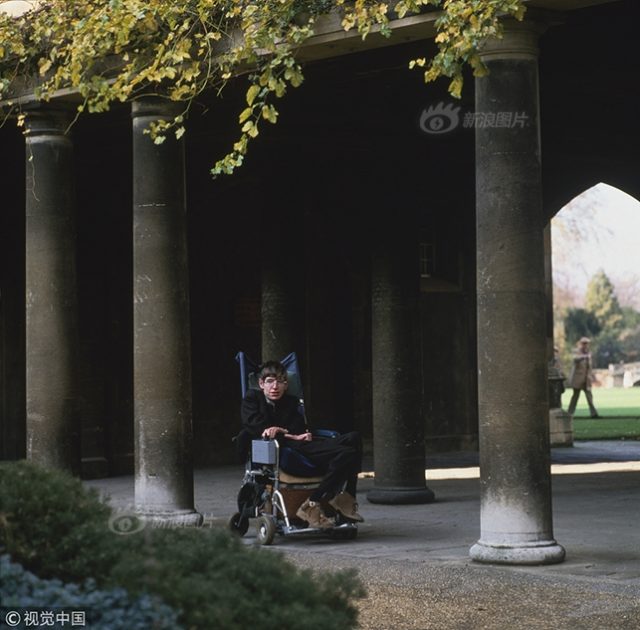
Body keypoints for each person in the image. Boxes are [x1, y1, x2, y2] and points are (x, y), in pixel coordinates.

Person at [241, 360, 364, 529]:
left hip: (302, 445)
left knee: (354, 438)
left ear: (286, 385)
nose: (275, 387)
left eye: (280, 382)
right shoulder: (252, 398)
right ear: (261, 384)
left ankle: (347, 497)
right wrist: (289, 434)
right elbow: (257, 427)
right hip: (282, 449)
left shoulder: (291, 402)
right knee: (347, 454)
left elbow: (299, 428)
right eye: (270, 381)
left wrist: (297, 433)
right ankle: (314, 503)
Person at [567, 337, 600, 418]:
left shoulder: (589, 353)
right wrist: (584, 356)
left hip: (586, 380)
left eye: (587, 344)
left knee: (589, 397)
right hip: (578, 379)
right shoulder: (577, 352)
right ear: (581, 344)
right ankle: (569, 414)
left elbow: (589, 367)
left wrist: (592, 377)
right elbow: (575, 359)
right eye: (584, 344)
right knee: (575, 397)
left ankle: (594, 414)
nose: (585, 345)